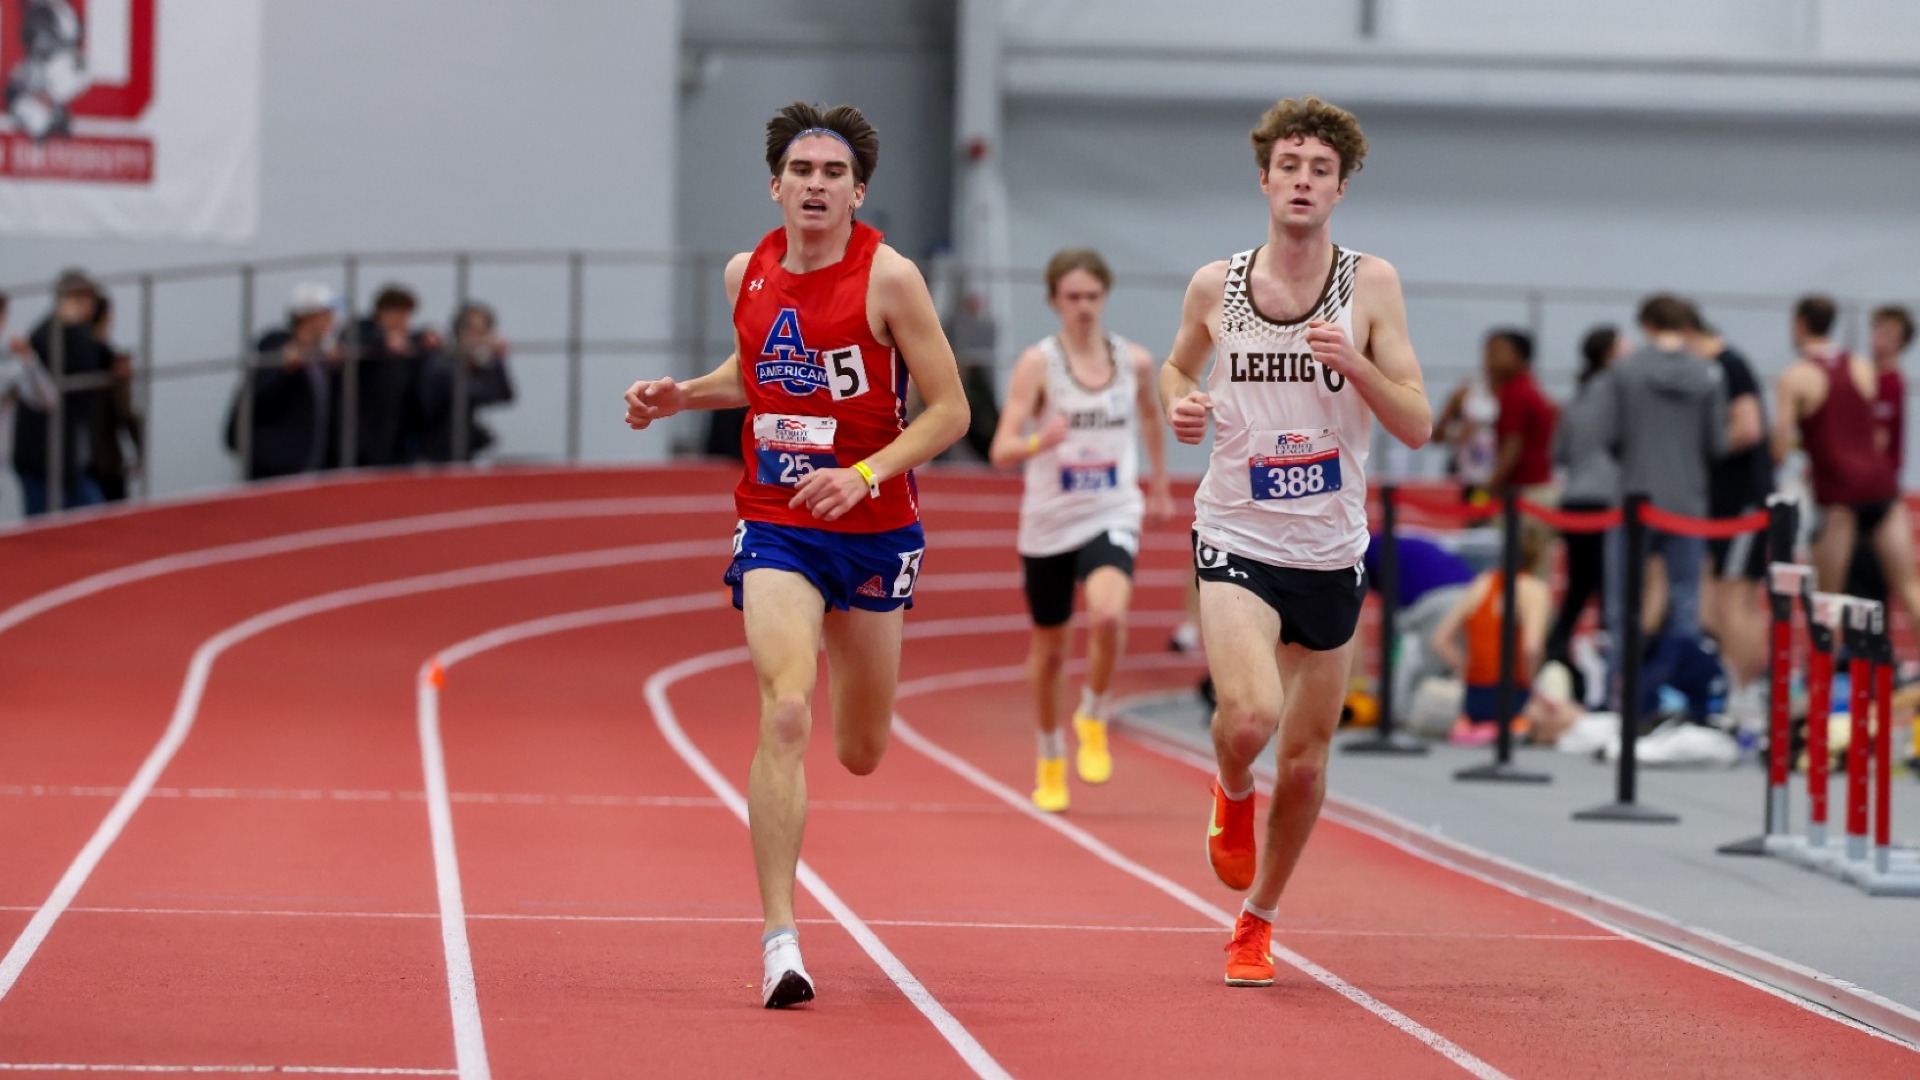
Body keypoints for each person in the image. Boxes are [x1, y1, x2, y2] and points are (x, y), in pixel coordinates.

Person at [621, 101, 969, 1008]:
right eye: (802, 172)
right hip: (776, 520)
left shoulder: (890, 279)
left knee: (859, 749)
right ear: (775, 184)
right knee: (784, 711)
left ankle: (855, 649)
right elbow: (757, 372)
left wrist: (863, 472)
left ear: (858, 191)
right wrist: (680, 396)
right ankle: (781, 938)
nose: (816, 185)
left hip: (874, 525)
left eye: (833, 174)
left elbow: (950, 412)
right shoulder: (750, 270)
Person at [1158, 96, 1431, 988]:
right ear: (1265, 179)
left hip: (1330, 546)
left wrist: (1355, 365)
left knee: (1307, 766)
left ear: (1340, 188)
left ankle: (1257, 919)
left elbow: (1418, 423)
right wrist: (1182, 405)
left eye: (1320, 169)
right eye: (1290, 166)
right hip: (1236, 527)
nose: (1303, 181)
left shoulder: (1372, 285)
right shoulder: (1217, 284)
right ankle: (1232, 789)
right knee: (1249, 719)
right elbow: (1175, 364)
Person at [987, 247, 1172, 813]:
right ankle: (1049, 756)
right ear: (1053, 302)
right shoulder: (1038, 365)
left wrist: (1159, 482)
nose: (1084, 307)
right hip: (1048, 522)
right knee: (1048, 651)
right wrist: (1044, 440)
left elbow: (1149, 414)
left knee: (1110, 614)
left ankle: (1092, 713)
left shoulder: (1135, 361)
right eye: (1073, 297)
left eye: (1093, 296)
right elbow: (1000, 449)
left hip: (1110, 510)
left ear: (1105, 298)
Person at [1592, 294, 1728, 722]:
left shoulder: (1625, 371)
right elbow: (1716, 443)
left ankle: (1625, 699)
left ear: (1647, 324)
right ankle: (1682, 695)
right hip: (1688, 501)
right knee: (1685, 602)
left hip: (1634, 497)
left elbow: (1610, 435)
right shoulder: (1708, 374)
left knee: (1623, 604)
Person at [1775, 295, 1920, 645]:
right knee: (1910, 587)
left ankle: (1819, 687)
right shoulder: (1862, 367)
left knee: (1829, 599)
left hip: (1840, 496)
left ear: (1800, 324)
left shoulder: (1795, 377)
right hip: (1882, 490)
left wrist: (1805, 446)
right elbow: (1866, 431)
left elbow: (1779, 447)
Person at [1685, 309, 1772, 717]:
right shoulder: (1713, 369)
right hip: (1720, 505)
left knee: (1735, 599)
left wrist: (1700, 446)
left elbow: (1750, 428)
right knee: (1716, 601)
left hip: (1744, 503)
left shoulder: (1728, 365)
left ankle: (1743, 694)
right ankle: (1734, 684)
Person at [1545, 326, 1624, 707]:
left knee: (1578, 588)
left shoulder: (1577, 395)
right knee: (1610, 588)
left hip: (1574, 497)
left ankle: (1555, 651)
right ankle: (1609, 679)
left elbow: (1558, 452)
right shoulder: (1618, 390)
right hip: (1606, 499)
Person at [1429, 526, 1553, 746]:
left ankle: (1477, 726)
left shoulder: (1482, 583)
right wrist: (1532, 687)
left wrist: (1467, 670)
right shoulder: (1534, 590)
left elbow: (1440, 639)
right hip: (1513, 695)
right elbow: (1531, 648)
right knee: (1570, 715)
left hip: (1475, 698)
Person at [12, 269, 111, 515]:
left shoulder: (82, 334)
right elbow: (75, 362)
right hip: (42, 459)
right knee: (45, 536)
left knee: (96, 522)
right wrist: (67, 325)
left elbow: (100, 361)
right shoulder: (48, 334)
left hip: (71, 459)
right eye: (85, 298)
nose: (90, 305)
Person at [229, 283, 343, 480]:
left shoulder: (321, 356)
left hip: (313, 466)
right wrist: (284, 368)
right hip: (276, 468)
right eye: (326, 314)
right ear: (308, 316)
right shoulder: (276, 346)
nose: (332, 320)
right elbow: (257, 396)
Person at [1844, 304, 1912, 604]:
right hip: (1858, 493)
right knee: (1854, 585)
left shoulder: (1890, 383)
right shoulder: (1864, 377)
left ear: (1901, 343)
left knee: (1897, 584)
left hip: (1875, 494)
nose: (1879, 338)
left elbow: (1877, 442)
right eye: (1878, 329)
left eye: (1889, 334)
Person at [348, 285, 438, 467]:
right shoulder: (361, 331)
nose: (404, 321)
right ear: (384, 312)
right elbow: (354, 342)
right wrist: (383, 342)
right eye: (401, 315)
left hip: (397, 436)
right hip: (362, 435)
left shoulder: (407, 341)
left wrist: (426, 340)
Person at [414, 302, 515, 463]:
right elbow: (477, 392)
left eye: (483, 332)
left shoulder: (468, 364)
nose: (479, 338)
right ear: (459, 332)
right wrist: (493, 360)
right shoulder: (441, 364)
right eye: (473, 331)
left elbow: (504, 395)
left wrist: (497, 362)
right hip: (432, 459)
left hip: (458, 455)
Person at [86, 296, 144, 502]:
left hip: (73, 459)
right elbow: (125, 411)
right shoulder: (113, 361)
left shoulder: (70, 357)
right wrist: (141, 449)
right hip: (105, 461)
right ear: (106, 319)